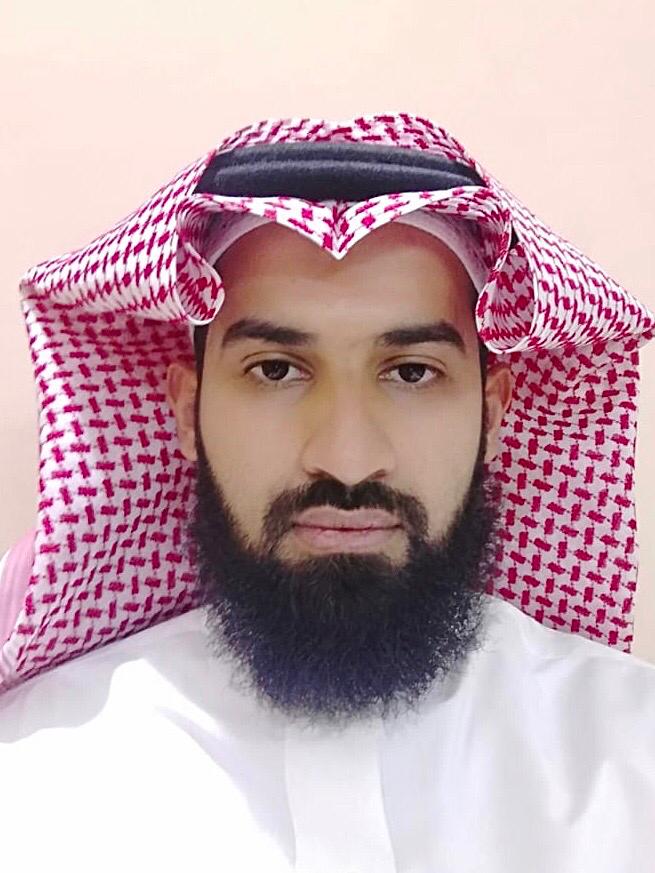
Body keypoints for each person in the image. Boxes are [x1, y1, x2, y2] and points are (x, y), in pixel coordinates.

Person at [0, 114, 654, 872]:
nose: (346, 459)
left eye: (411, 372)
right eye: (276, 370)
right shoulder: (32, 776)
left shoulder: (630, 759)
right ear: (186, 411)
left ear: (494, 413)